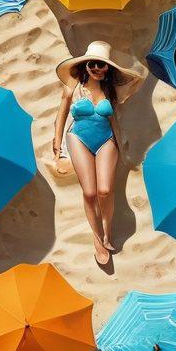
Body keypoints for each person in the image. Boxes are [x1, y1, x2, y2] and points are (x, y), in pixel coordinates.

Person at [53, 40, 144, 267]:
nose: (97, 69)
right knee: (90, 192)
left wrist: (121, 147)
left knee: (105, 190)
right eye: (93, 64)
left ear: (108, 68)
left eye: (102, 65)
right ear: (85, 65)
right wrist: (57, 142)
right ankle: (97, 240)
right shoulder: (73, 85)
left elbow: (114, 119)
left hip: (106, 140)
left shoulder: (110, 89)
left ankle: (106, 232)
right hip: (78, 138)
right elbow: (62, 113)